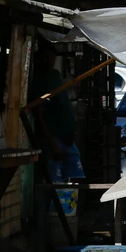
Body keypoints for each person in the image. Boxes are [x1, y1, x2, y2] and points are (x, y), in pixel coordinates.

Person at [29, 44, 86, 183]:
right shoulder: (39, 80)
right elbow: (39, 115)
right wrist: (52, 142)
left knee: (74, 178)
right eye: (46, 58)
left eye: (51, 58)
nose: (49, 61)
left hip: (67, 137)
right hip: (54, 139)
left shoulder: (55, 75)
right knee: (55, 182)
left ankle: (67, 203)